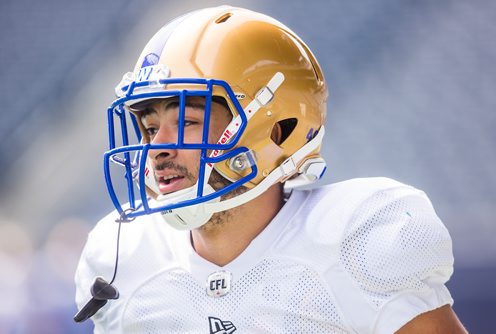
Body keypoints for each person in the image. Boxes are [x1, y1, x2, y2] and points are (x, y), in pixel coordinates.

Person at [74, 5, 467, 333]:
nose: (157, 148)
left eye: (187, 122)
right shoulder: (125, 258)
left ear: (276, 130)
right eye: (149, 128)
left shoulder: (353, 243)